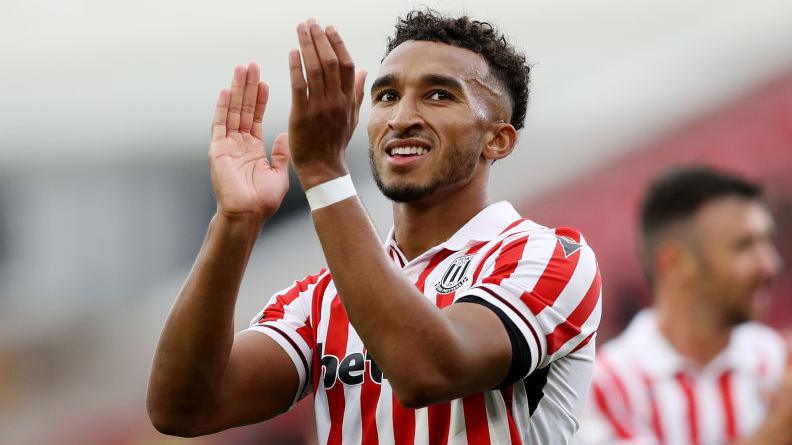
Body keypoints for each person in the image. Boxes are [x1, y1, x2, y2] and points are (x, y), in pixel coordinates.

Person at [147, 10, 602, 444]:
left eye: (439, 95)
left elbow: (427, 371)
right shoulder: (322, 296)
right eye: (386, 96)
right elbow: (183, 409)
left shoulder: (550, 258)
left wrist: (325, 175)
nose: (402, 118)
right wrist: (235, 221)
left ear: (497, 140)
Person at [577, 166, 792, 445]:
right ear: (675, 263)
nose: (771, 265)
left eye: (766, 242)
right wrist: (773, 435)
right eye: (743, 246)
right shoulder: (607, 388)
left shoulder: (776, 363)